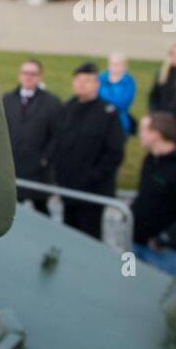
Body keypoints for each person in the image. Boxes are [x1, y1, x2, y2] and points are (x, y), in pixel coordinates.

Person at [50, 62, 126, 240]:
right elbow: (58, 142)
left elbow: (115, 152)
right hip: (68, 188)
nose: (81, 84)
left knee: (89, 238)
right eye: (77, 80)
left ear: (97, 84)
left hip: (92, 192)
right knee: (68, 234)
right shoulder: (68, 108)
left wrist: (92, 177)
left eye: (87, 81)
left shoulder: (107, 113)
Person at [130, 112, 176, 275]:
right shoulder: (150, 159)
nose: (139, 133)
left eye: (143, 130)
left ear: (156, 134)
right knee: (125, 285)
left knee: (154, 297)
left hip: (161, 254)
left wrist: (164, 239)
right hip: (134, 243)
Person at [2, 58, 62, 214]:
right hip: (13, 168)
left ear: (40, 76)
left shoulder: (52, 102)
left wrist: (46, 159)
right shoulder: (7, 100)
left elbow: (57, 135)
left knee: (41, 212)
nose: (28, 77)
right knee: (12, 212)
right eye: (25, 73)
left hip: (39, 171)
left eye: (33, 74)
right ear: (19, 75)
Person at [98, 52, 136, 135]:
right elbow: (95, 96)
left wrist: (107, 104)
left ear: (125, 67)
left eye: (117, 65)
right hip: (100, 118)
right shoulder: (101, 78)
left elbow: (124, 102)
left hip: (120, 120)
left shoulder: (128, 81)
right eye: (112, 64)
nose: (114, 67)